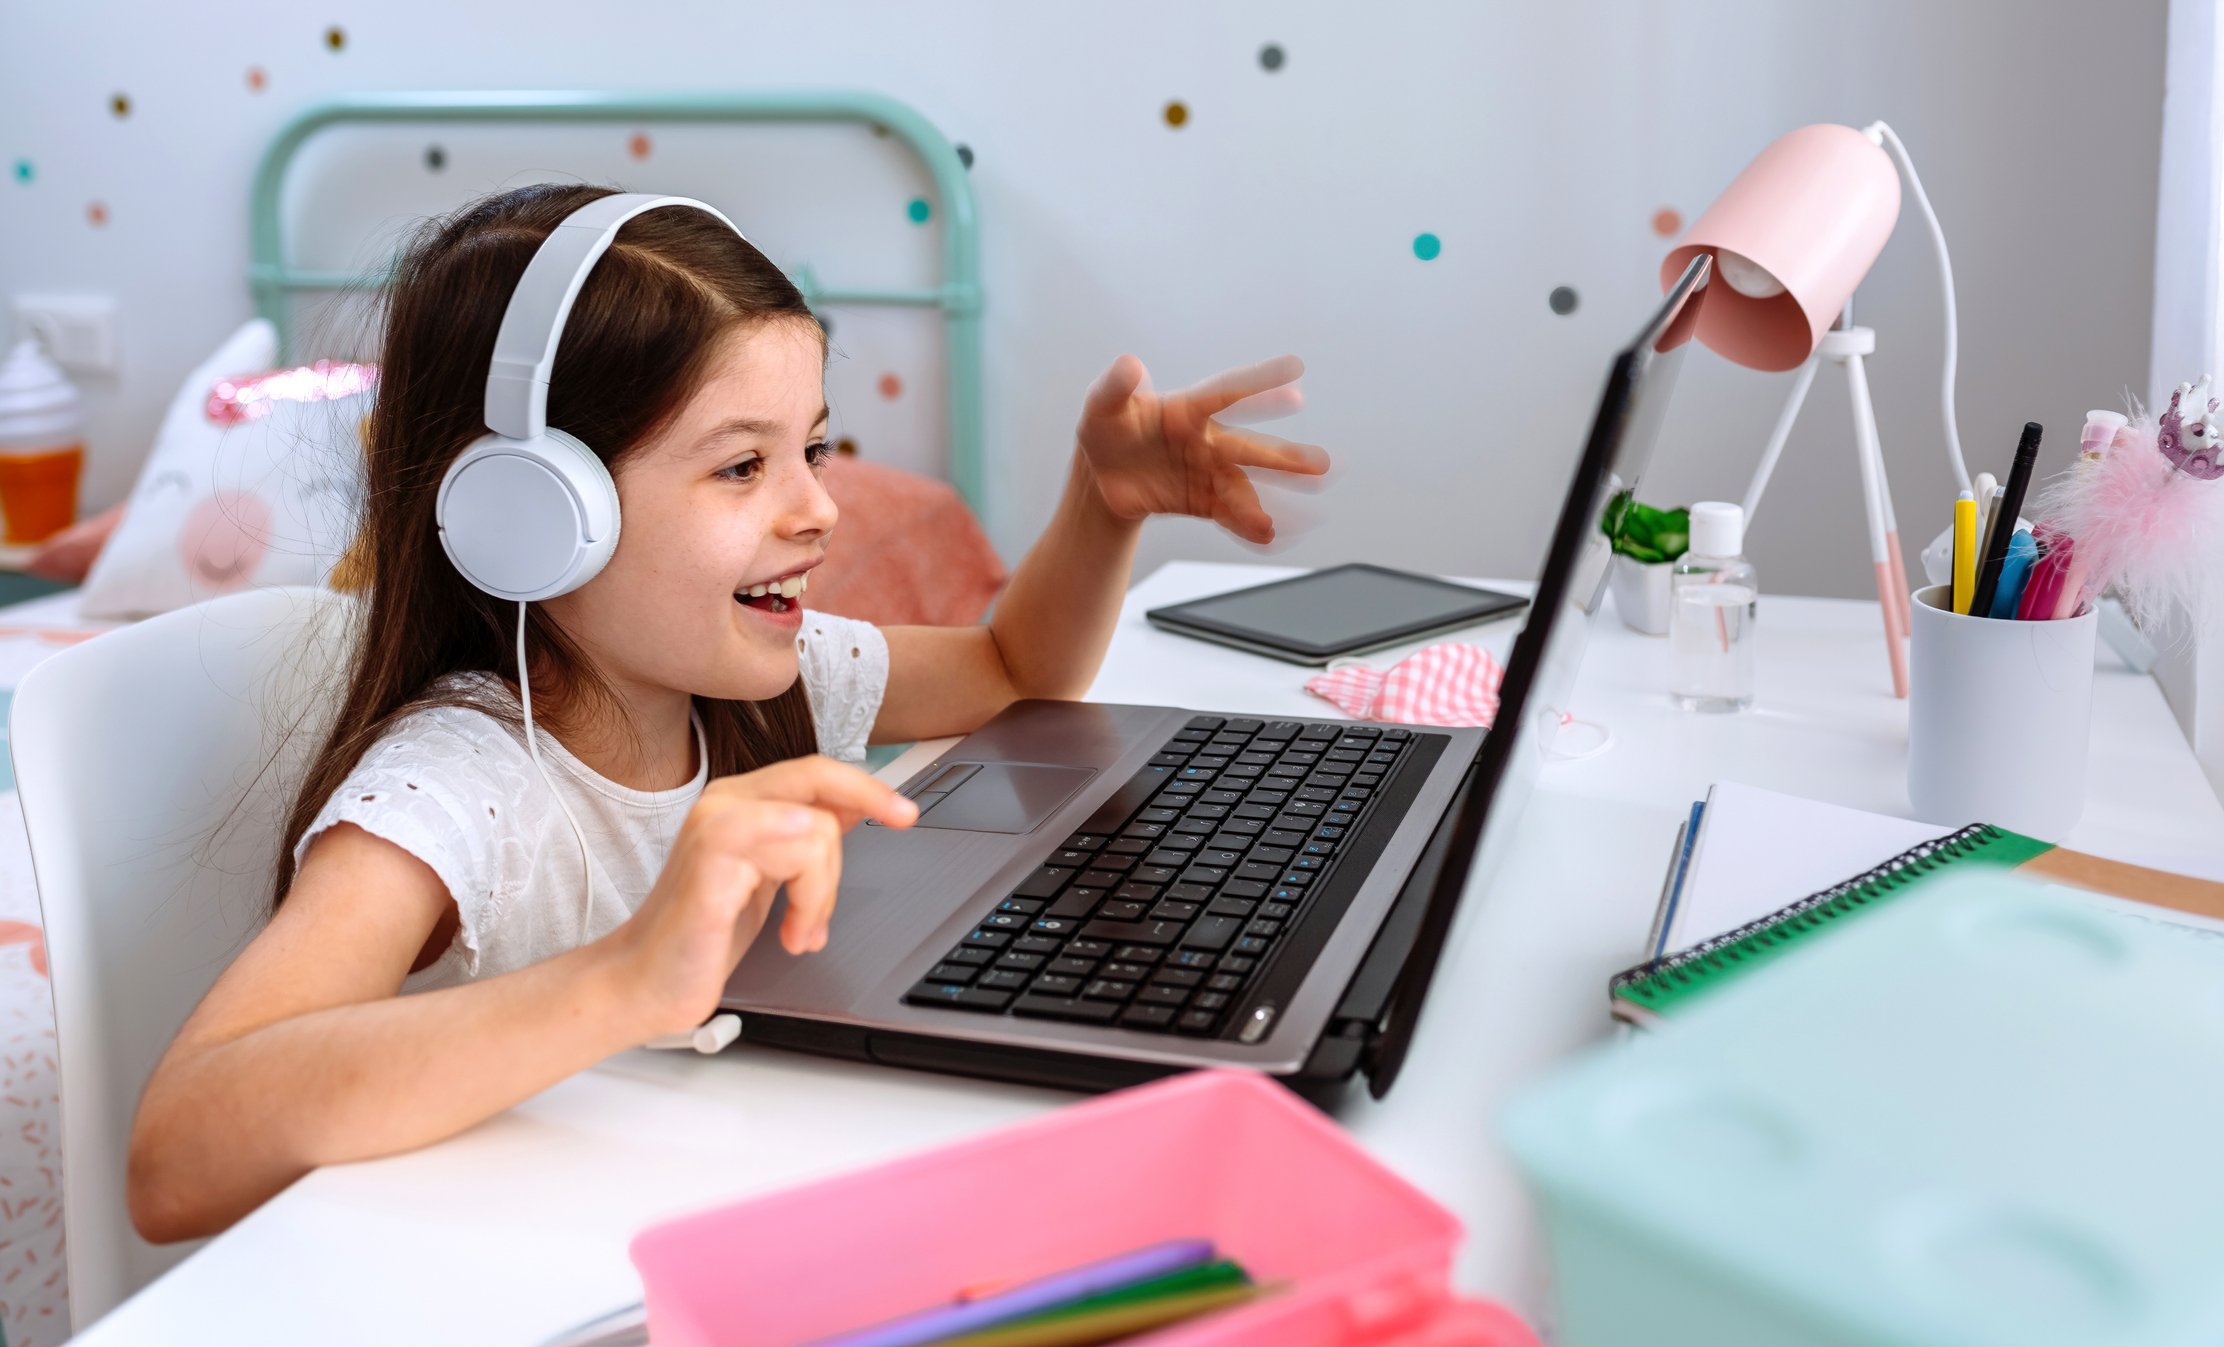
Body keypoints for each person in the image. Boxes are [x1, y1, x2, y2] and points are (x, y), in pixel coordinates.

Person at [126, 183, 1326, 1241]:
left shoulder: (760, 684)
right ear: (532, 513)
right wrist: (629, 977)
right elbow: (176, 1160)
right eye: (741, 466)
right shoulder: (457, 787)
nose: (820, 510)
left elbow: (1016, 667)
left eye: (815, 446)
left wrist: (1101, 504)